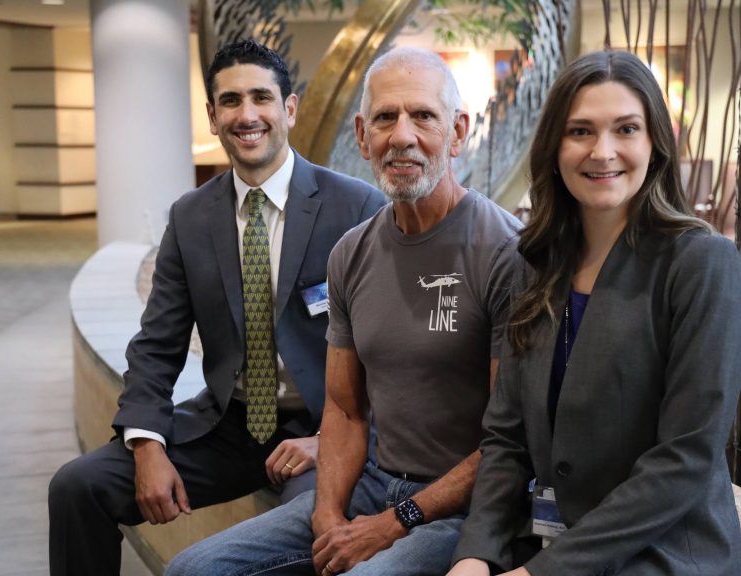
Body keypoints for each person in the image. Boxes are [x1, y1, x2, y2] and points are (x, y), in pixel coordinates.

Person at [164, 47, 523, 576]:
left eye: (423, 116)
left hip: (460, 510)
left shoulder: (505, 252)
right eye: (385, 118)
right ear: (362, 135)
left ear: (458, 131)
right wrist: (328, 514)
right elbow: (345, 411)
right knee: (190, 570)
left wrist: (396, 520)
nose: (402, 136)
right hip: (372, 485)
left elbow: (508, 442)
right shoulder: (352, 253)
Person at [48, 39, 385, 576]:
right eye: (230, 101)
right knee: (77, 485)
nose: (246, 115)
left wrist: (329, 439)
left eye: (261, 98)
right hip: (229, 426)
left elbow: (390, 355)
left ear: (289, 109)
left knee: (310, 523)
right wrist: (147, 443)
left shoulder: (357, 207)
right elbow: (157, 345)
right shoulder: (190, 218)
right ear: (212, 116)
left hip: (323, 430)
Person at [448, 50, 741, 576]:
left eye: (625, 129)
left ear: (654, 142)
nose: (602, 151)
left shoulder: (701, 263)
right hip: (545, 542)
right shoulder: (533, 264)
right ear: (555, 147)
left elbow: (686, 458)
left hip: (662, 550)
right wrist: (476, 554)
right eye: (581, 131)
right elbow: (506, 439)